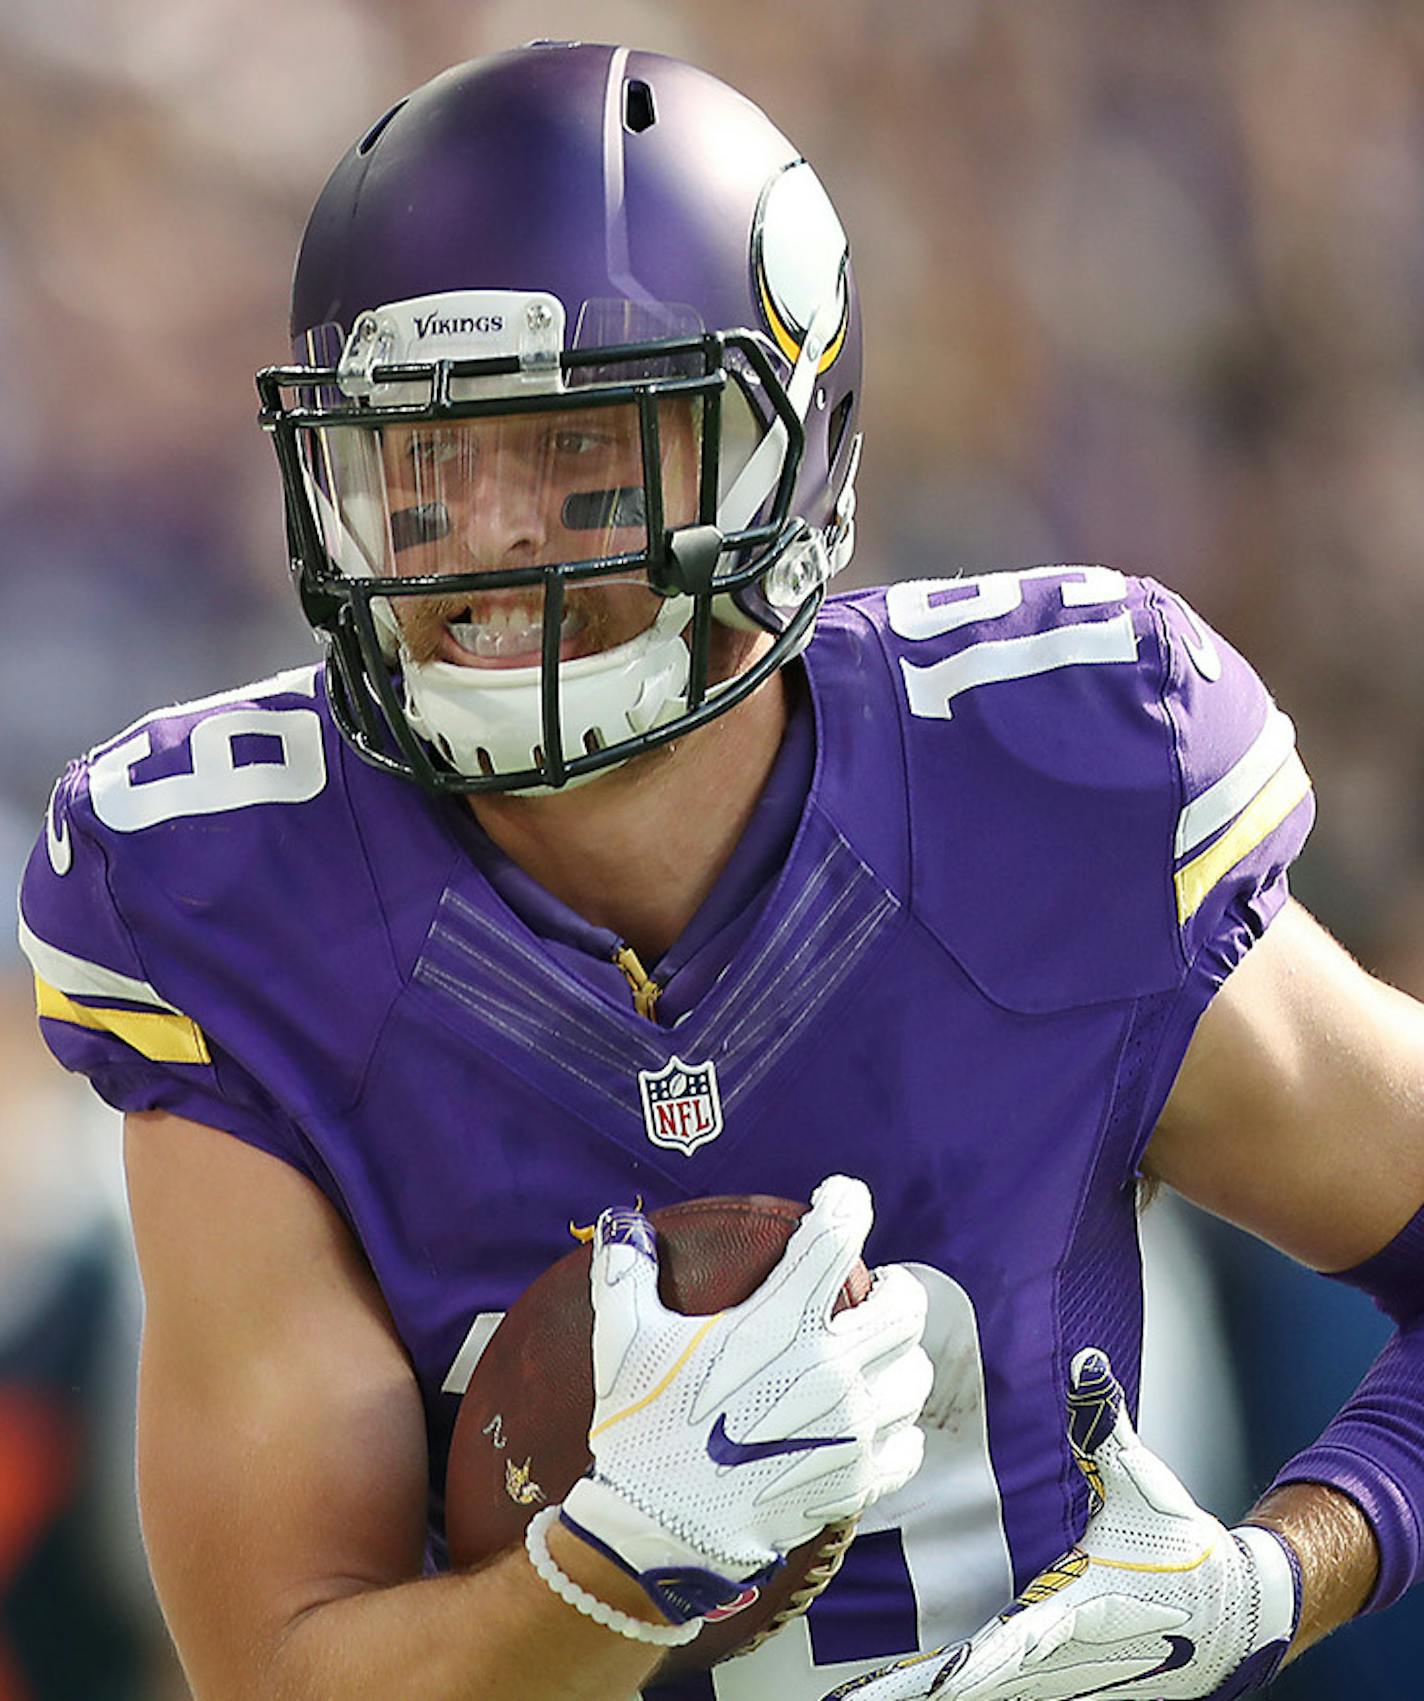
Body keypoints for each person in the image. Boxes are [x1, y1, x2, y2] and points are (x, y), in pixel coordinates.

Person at [15, 41, 1424, 1701]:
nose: (491, 537)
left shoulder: (1057, 773)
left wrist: (1283, 1573)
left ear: (787, 449)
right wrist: (615, 1571)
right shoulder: (231, 895)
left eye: (582, 454)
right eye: (426, 459)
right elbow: (282, 1671)